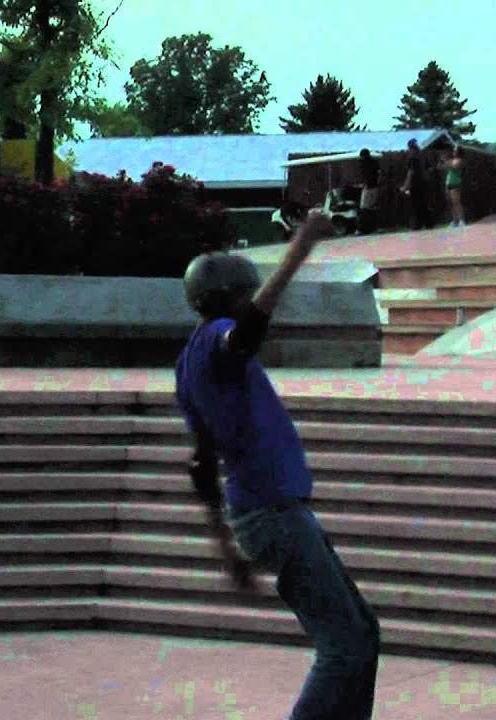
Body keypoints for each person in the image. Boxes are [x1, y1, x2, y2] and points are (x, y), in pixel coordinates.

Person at [175, 212, 381, 720]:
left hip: (265, 515)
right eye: (246, 293)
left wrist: (226, 550)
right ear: (228, 299)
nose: (252, 299)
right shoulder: (222, 337)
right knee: (344, 648)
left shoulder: (184, 366)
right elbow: (246, 332)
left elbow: (201, 467)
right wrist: (301, 247)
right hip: (273, 513)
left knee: (363, 634)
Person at [399, 138, 432, 230]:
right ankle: (428, 223)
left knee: (415, 205)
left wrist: (406, 186)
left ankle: (417, 224)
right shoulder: (422, 157)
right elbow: (429, 169)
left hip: (415, 183)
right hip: (423, 183)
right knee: (423, 203)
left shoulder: (412, 158)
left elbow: (410, 172)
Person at [357, 148, 380, 235]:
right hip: (375, 187)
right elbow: (379, 174)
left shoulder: (365, 164)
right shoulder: (374, 162)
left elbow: (366, 176)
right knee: (372, 207)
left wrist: (365, 184)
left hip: (369, 187)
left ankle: (363, 228)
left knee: (364, 208)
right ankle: (374, 227)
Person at [445, 146, 465, 228]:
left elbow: (454, 166)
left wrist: (446, 161)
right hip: (448, 183)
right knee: (450, 203)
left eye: (455, 150)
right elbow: (443, 166)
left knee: (456, 202)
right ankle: (455, 220)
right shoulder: (452, 160)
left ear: (458, 152)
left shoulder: (459, 160)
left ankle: (461, 220)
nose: (453, 151)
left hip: (455, 183)